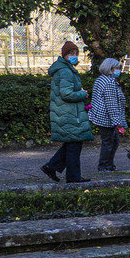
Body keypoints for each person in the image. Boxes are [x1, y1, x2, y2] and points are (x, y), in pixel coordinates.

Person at [42, 41, 93, 183]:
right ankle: (73, 177)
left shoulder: (65, 69)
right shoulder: (65, 71)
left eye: (76, 53)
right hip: (68, 114)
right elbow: (67, 94)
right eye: (71, 54)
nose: (74, 56)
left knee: (72, 143)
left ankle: (51, 167)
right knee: (74, 145)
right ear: (64, 55)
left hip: (66, 113)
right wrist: (82, 94)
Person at [88, 57, 128, 172]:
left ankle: (108, 165)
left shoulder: (101, 79)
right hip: (106, 118)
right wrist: (117, 122)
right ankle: (105, 166)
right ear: (110, 69)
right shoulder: (109, 82)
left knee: (112, 141)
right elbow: (112, 104)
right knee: (109, 142)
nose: (118, 70)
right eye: (116, 68)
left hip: (100, 116)